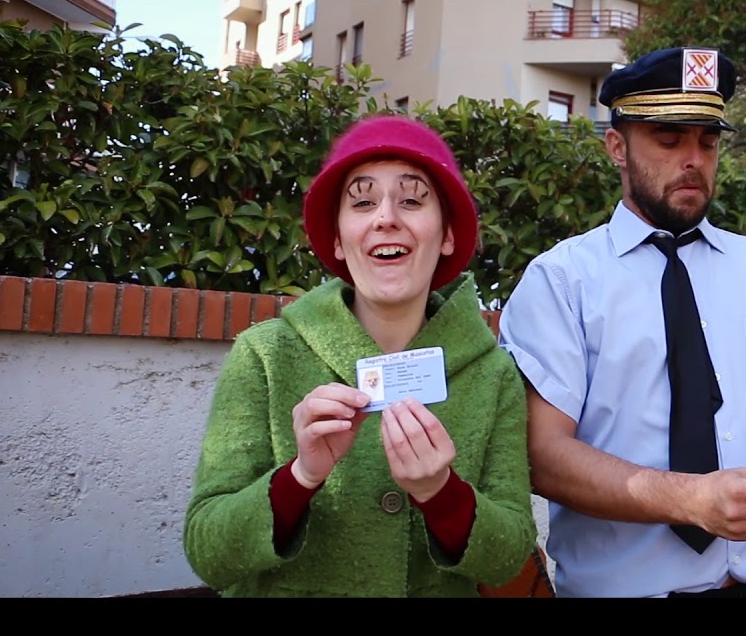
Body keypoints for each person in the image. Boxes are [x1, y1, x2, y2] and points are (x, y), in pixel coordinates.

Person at [497, 47, 746, 598]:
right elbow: (542, 455)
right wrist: (687, 499)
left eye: (707, 142)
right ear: (616, 147)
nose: (693, 159)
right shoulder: (562, 281)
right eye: (669, 140)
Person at [184, 114, 537, 597]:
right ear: (337, 237)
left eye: (411, 200)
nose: (385, 217)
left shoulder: (492, 373)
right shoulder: (264, 355)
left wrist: (440, 493)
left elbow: (509, 557)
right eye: (363, 202)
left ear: (447, 235)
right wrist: (301, 476)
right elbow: (207, 553)